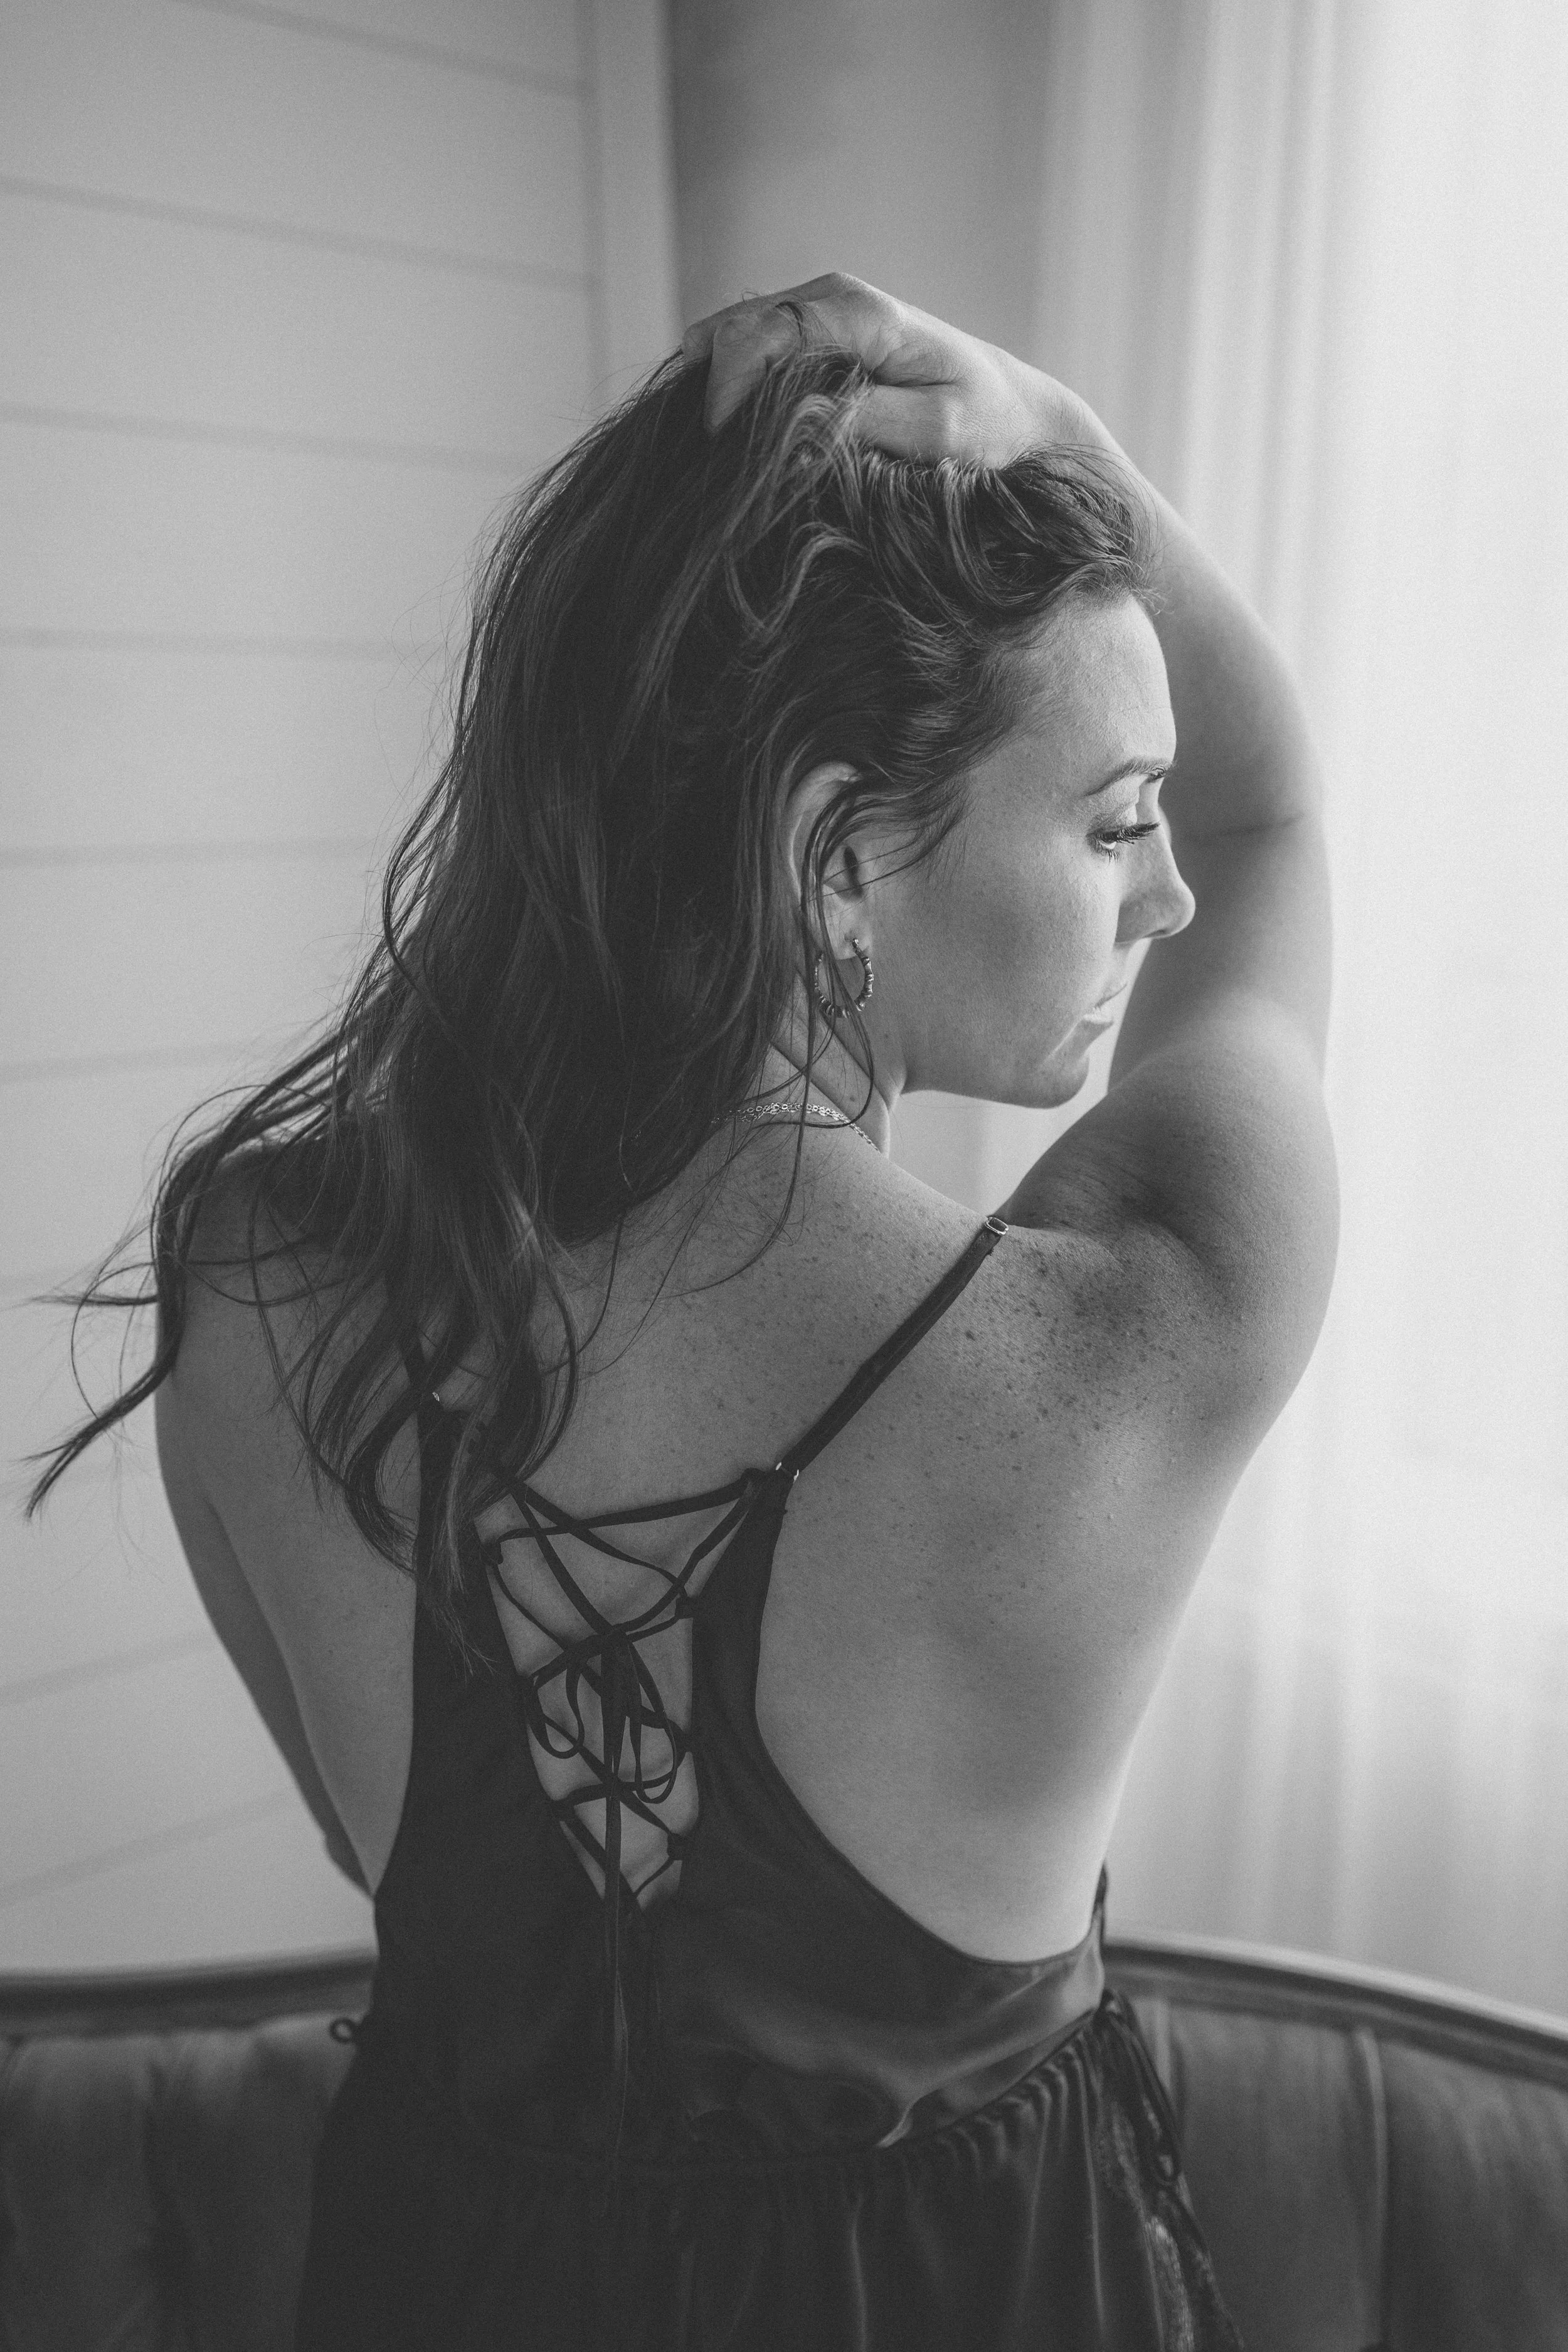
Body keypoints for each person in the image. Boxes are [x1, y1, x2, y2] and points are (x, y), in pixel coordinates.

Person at [28, 274, 1337, 2348]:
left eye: (1148, 824)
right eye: (1109, 820)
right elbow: (1273, 820)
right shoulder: (1124, 1348)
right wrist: (1054, 426)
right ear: (833, 859)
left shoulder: (254, 1281)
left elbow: (365, 1830)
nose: (1160, 888)